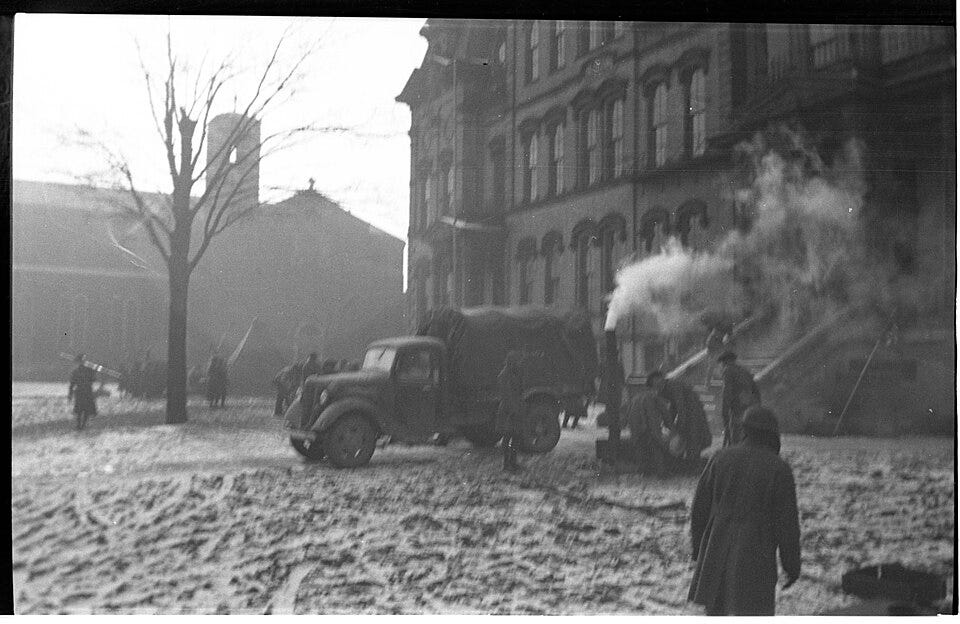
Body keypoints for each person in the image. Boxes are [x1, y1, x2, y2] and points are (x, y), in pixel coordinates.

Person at [688, 406, 801, 616]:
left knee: (715, 611)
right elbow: (787, 525)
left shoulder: (720, 458)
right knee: (753, 610)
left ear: (745, 431)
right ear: (772, 434)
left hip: (716, 546)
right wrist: (791, 566)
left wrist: (698, 549)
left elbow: (699, 509)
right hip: (755, 552)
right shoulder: (779, 468)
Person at [646, 370, 713, 461]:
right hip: (686, 413)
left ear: (660, 378)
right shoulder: (664, 390)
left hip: (693, 412)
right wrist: (669, 423)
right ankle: (689, 460)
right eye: (654, 386)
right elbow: (673, 407)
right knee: (686, 437)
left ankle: (693, 461)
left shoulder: (674, 385)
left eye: (656, 383)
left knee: (694, 436)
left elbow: (680, 405)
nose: (656, 387)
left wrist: (680, 424)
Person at [622, 389, 671, 475]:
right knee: (655, 445)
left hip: (634, 423)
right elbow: (657, 419)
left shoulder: (638, 397)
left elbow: (627, 414)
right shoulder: (655, 399)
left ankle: (644, 471)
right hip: (643, 422)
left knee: (640, 446)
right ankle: (661, 471)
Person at [718, 351, 760, 447]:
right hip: (751, 408)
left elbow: (727, 393)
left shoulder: (728, 371)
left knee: (735, 438)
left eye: (722, 363)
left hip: (738, 409)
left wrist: (724, 413)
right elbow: (756, 391)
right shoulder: (744, 371)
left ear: (725, 362)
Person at [496, 351, 525, 472]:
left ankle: (513, 462)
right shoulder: (504, 375)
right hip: (508, 410)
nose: (519, 364)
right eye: (516, 361)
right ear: (511, 362)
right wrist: (513, 410)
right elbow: (506, 395)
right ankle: (506, 464)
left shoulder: (513, 374)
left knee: (516, 437)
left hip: (514, 409)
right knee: (507, 437)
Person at [68, 353, 97, 430]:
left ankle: (79, 425)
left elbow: (72, 384)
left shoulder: (76, 371)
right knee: (85, 409)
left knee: (80, 410)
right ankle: (82, 425)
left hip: (80, 392)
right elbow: (93, 379)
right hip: (86, 391)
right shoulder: (89, 370)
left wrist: (70, 394)